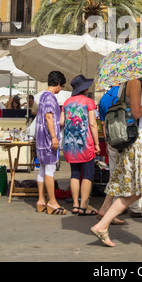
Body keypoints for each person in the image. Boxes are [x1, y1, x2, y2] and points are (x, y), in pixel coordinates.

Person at [90, 76, 142, 248]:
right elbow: (136, 112)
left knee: (135, 191)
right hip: (140, 141)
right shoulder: (134, 82)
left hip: (134, 141)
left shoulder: (124, 85)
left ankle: (102, 224)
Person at [60, 74, 100, 216]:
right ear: (85, 88)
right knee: (88, 174)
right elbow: (93, 124)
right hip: (85, 143)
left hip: (70, 144)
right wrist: (97, 143)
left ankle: (75, 205)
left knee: (75, 174)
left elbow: (61, 122)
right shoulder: (89, 102)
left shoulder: (66, 103)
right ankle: (84, 206)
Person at [35, 70, 67, 215]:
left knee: (42, 169)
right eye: (62, 86)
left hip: (41, 139)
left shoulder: (42, 96)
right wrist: (54, 137)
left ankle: (41, 200)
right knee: (49, 169)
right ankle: (52, 202)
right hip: (48, 139)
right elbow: (49, 117)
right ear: (58, 84)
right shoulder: (50, 97)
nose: (61, 89)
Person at [96, 85, 126, 224]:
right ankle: (114, 208)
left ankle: (110, 208)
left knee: (114, 173)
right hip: (125, 138)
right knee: (127, 174)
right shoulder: (124, 94)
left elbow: (103, 123)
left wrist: (108, 139)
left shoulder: (103, 99)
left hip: (111, 139)